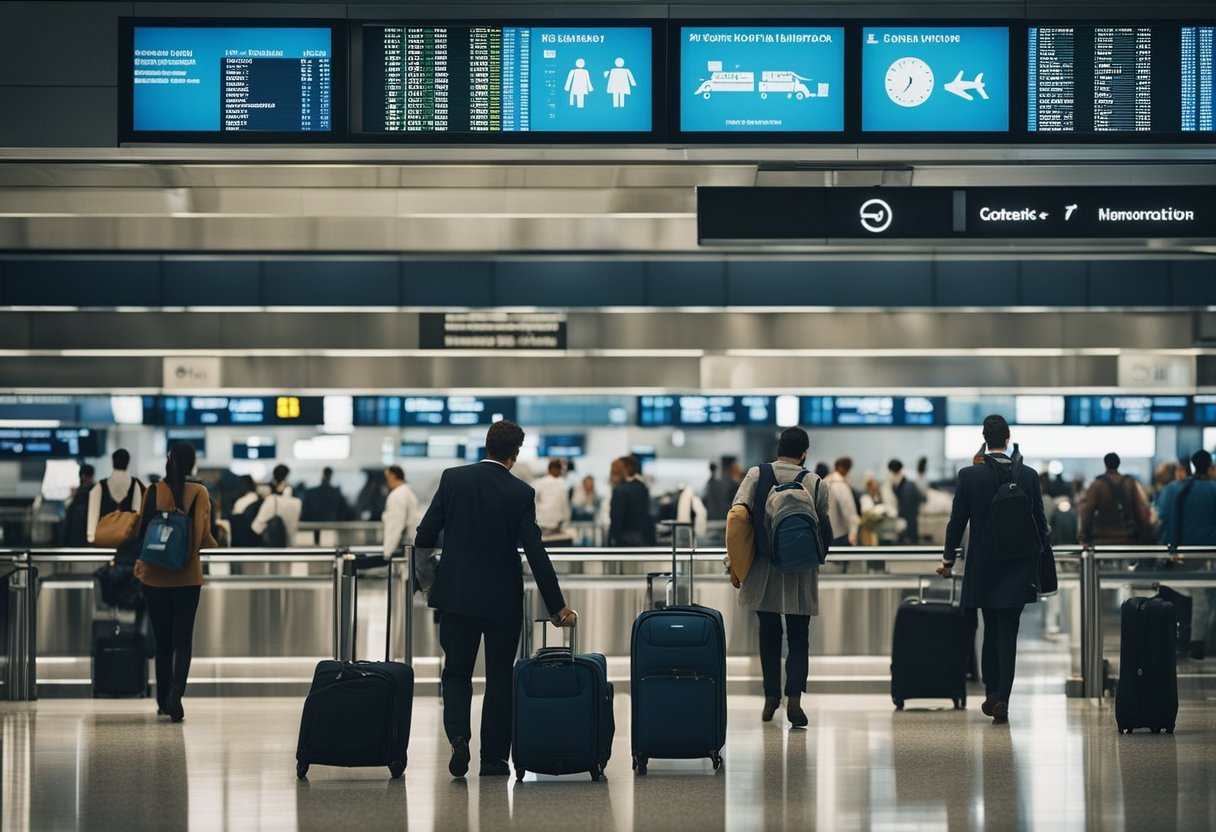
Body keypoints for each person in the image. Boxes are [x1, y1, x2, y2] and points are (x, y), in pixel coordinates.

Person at [414, 420, 577, 778]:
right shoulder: (520, 493)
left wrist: (430, 584)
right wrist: (557, 606)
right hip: (502, 601)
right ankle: (493, 758)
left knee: (456, 673)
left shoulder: (452, 479)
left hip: (456, 600)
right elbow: (535, 552)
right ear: (514, 455)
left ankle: (459, 738)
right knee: (500, 678)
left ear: (486, 445)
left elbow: (424, 537)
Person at [937, 415, 1050, 725]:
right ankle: (1004, 698)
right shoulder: (1027, 476)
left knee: (989, 627)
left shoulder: (970, 476)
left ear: (984, 438)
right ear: (1008, 438)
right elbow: (1041, 524)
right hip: (1018, 564)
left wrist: (948, 560)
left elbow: (956, 522)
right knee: (1008, 631)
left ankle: (990, 692)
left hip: (983, 564)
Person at [728, 427, 831, 728]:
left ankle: (771, 695)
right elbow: (824, 527)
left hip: (763, 569)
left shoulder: (756, 475)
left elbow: (737, 517)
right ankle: (794, 696)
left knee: (769, 632)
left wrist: (735, 563)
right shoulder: (814, 482)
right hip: (801, 571)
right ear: (804, 453)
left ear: (778, 449)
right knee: (799, 637)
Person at [134, 441, 216, 722]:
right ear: (193, 463)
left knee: (163, 642)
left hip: (154, 578)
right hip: (187, 577)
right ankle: (176, 693)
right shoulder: (200, 493)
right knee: (182, 640)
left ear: (169, 459)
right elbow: (203, 535)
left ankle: (161, 702)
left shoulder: (153, 490)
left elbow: (141, 532)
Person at [1156, 450, 1216, 657]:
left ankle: (1188, 642)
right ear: (1209, 467)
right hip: (1210, 552)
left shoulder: (1182, 490)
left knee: (1191, 598)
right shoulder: (1214, 490)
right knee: (1205, 600)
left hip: (1186, 552)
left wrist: (1172, 550)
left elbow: (1173, 522)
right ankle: (1201, 644)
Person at [1078, 452, 1153, 545]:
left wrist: (1083, 535)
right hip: (1128, 539)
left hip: (1102, 539)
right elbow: (1142, 511)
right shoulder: (1130, 483)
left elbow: (1087, 511)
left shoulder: (1097, 484)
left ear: (1105, 464)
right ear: (1119, 464)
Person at [86, 449, 144, 547]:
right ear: (128, 462)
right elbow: (137, 515)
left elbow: (93, 515)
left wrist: (91, 538)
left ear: (112, 462)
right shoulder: (135, 485)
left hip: (103, 540)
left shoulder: (100, 486)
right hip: (126, 542)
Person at [608, 456, 655, 546]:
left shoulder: (620, 490)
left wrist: (611, 541)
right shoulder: (642, 487)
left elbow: (616, 519)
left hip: (624, 541)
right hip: (644, 539)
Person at [251, 464, 302, 547]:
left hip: (270, 538)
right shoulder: (294, 497)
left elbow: (256, 526)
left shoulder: (269, 495)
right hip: (287, 539)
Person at [381, 465, 421, 560]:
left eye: (387, 477)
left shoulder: (397, 495)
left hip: (404, 546)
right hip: (410, 544)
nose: (386, 482)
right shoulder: (407, 492)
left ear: (392, 476)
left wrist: (387, 551)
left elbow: (395, 524)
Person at [886, 459, 926, 545]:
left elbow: (921, 498)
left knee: (911, 538)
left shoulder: (907, 486)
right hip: (907, 517)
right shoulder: (904, 484)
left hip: (909, 517)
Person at [825, 456, 860, 548]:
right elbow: (848, 510)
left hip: (825, 532)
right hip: (840, 535)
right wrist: (853, 531)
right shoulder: (840, 484)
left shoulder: (825, 481)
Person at [533, 459, 571, 536]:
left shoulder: (539, 482)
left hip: (541, 521)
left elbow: (535, 501)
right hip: (556, 523)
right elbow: (565, 506)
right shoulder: (563, 484)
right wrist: (566, 523)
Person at [62, 463, 96, 546]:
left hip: (73, 539)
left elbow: (67, 518)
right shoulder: (95, 492)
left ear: (82, 476)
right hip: (90, 538)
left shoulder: (76, 494)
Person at [228, 475, 262, 548]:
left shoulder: (240, 502)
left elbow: (235, 523)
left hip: (241, 541)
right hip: (256, 540)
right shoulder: (259, 500)